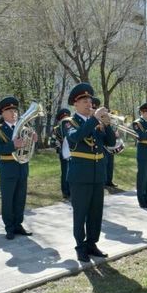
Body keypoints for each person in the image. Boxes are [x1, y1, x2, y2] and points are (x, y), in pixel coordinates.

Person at [65, 83, 116, 262]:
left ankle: (92, 243)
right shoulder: (69, 122)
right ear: (75, 104)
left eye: (90, 101)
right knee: (81, 213)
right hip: (80, 175)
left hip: (97, 174)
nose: (89, 103)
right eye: (84, 101)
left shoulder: (96, 122)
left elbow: (110, 143)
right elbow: (75, 137)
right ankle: (80, 247)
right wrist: (95, 119)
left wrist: (107, 125)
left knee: (96, 212)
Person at [0, 97, 37, 240]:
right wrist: (13, 145)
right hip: (8, 168)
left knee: (20, 198)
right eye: (10, 110)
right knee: (8, 199)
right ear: (3, 113)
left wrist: (33, 139)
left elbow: (28, 148)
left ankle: (18, 224)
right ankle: (9, 227)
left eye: (15, 110)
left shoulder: (25, 128)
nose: (13, 112)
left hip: (22, 167)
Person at [132, 101, 147, 208]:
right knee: (143, 177)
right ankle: (141, 200)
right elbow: (142, 136)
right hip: (143, 153)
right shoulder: (137, 123)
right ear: (141, 112)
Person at [50, 108, 72, 199]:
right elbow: (52, 142)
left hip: (74, 153)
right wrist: (59, 147)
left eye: (67, 117)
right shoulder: (56, 129)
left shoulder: (73, 126)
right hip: (63, 153)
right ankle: (65, 192)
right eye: (64, 118)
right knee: (65, 172)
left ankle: (72, 191)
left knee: (72, 172)